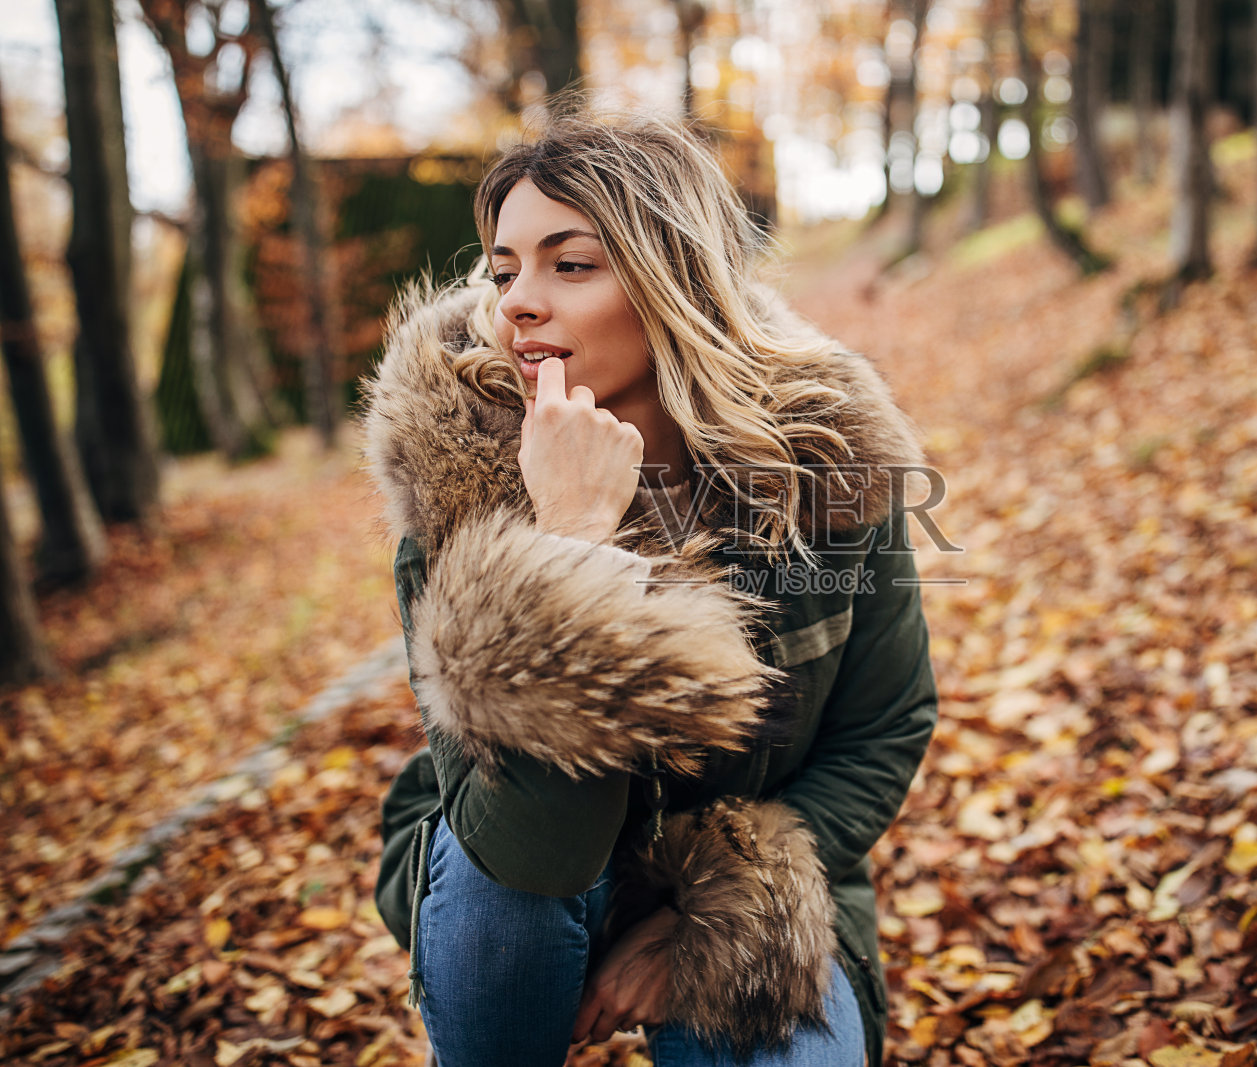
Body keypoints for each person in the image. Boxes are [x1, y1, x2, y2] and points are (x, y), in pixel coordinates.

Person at [362, 106, 938, 1067]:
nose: (517, 303)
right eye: (504, 271)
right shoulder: (458, 489)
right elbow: (532, 855)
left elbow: (886, 724)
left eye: (570, 264)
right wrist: (573, 545)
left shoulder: (831, 467)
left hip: (752, 864)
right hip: (514, 882)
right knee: (504, 906)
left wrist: (710, 920)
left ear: (677, 280)